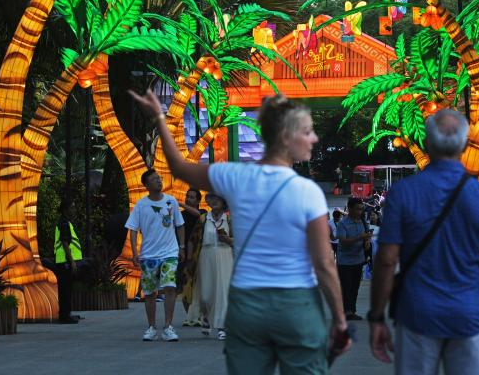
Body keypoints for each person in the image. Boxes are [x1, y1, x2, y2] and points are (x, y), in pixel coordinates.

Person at [130, 90, 351, 373]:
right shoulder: (307, 191)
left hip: (247, 305)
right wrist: (340, 320)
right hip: (296, 303)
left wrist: (160, 118)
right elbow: (323, 263)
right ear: (286, 137)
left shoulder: (234, 177)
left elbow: (178, 167)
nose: (314, 139)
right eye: (307, 132)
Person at [368, 109, 479, 375]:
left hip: (417, 316)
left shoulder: (403, 193)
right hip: (470, 317)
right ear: (464, 145)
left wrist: (377, 315)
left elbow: (386, 260)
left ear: (427, 143)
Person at [126, 168, 186, 342]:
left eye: (159, 178)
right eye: (154, 179)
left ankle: (168, 327)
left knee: (170, 287)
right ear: (146, 185)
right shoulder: (140, 205)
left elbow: (180, 225)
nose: (159, 180)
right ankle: (151, 327)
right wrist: (135, 252)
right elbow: (133, 229)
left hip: (170, 253)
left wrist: (181, 247)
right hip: (149, 255)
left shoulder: (171, 201)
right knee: (150, 292)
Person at [186, 192, 234, 340]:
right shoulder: (203, 218)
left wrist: (228, 240)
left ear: (223, 202)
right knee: (205, 294)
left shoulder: (229, 219)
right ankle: (205, 316)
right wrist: (189, 259)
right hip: (205, 255)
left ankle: (222, 326)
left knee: (223, 292)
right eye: (211, 198)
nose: (214, 201)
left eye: (217, 199)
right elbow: (192, 240)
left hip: (225, 255)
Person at [335, 197, 371, 320]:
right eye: (357, 209)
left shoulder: (363, 222)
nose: (360, 212)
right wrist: (360, 237)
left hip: (358, 260)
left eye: (361, 209)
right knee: (346, 287)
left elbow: (366, 238)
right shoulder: (343, 223)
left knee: (355, 287)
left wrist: (367, 241)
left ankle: (351, 311)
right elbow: (343, 241)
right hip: (345, 261)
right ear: (350, 209)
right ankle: (347, 312)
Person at [179, 188, 207, 325]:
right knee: (185, 284)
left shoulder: (203, 213)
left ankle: (199, 314)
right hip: (184, 253)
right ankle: (190, 315)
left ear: (198, 200)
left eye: (191, 197)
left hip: (199, 253)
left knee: (199, 285)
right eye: (187, 196)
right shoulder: (181, 215)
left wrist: (181, 204)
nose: (188, 199)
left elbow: (196, 214)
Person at [54, 201, 83, 324]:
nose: (74, 210)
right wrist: (72, 262)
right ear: (66, 209)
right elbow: (65, 243)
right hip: (65, 262)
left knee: (67, 289)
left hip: (64, 262)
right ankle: (64, 316)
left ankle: (67, 313)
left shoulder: (65, 222)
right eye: (72, 208)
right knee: (65, 290)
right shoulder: (64, 223)